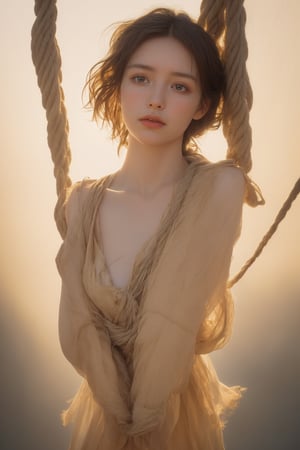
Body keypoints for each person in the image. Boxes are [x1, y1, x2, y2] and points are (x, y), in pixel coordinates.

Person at [56, 8, 248, 450]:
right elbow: (76, 331)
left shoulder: (218, 188)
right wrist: (121, 417)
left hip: (174, 420)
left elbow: (173, 322)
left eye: (179, 86)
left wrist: (142, 421)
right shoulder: (83, 202)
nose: (156, 99)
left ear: (202, 104)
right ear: (118, 87)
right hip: (103, 417)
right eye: (141, 78)